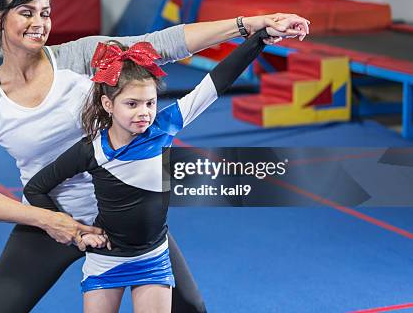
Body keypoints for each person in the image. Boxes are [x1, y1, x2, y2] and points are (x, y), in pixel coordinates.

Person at [0, 0, 310, 313]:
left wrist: (249, 24)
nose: (39, 23)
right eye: (26, 13)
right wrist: (53, 221)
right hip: (52, 221)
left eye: (45, 13)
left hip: (129, 215)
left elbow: (164, 44)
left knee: (192, 309)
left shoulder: (81, 56)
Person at [23, 28, 274, 312]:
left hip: (153, 259)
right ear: (108, 104)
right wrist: (77, 232)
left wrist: (260, 38)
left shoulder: (164, 127)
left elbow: (215, 83)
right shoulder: (91, 150)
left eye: (150, 103)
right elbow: (35, 188)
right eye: (131, 104)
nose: (143, 112)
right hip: (105, 260)